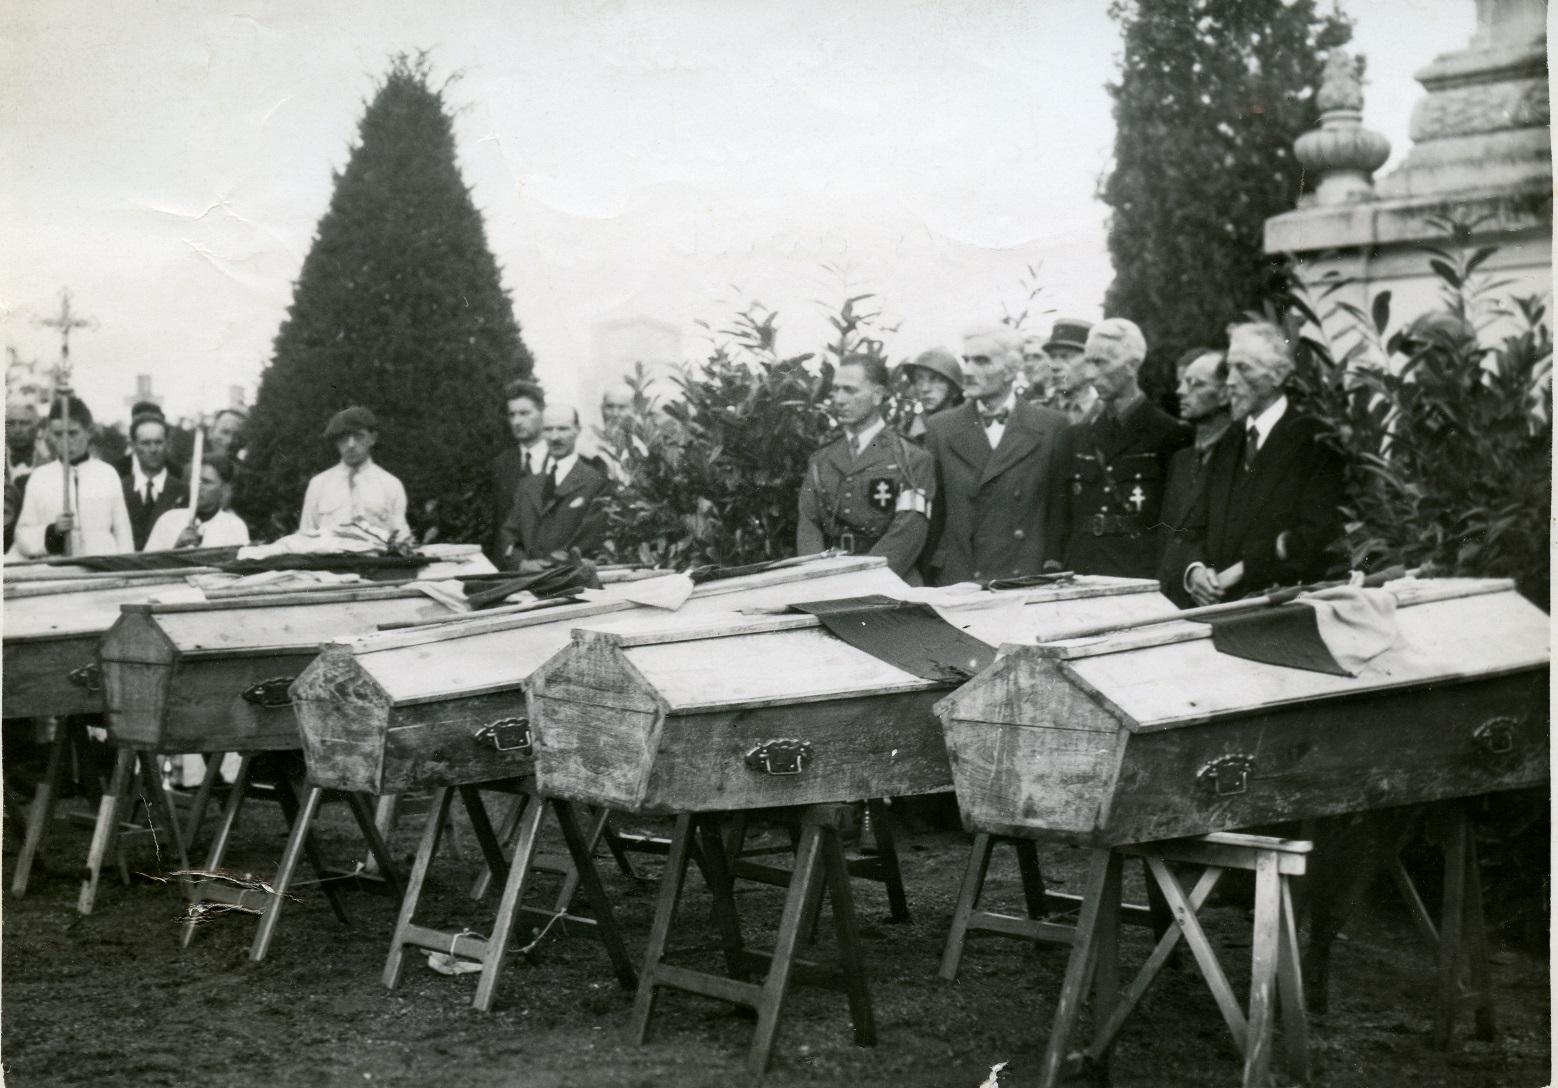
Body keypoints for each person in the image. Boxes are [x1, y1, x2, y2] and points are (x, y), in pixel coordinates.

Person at [1180, 321, 1346, 604]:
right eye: (1228, 368)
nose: (1230, 381)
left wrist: (1241, 571)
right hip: (1218, 612)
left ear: (1278, 375)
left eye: (1243, 368)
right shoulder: (1228, 441)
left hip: (1280, 614)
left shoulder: (1315, 440)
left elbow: (1314, 537)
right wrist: (1195, 571)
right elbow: (1194, 526)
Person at [922, 325, 1070, 585]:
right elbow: (933, 518)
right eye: (966, 360)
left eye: (981, 361)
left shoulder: (1051, 426)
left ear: (1011, 370)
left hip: (1024, 579)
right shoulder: (940, 428)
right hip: (959, 578)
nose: (967, 371)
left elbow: (1058, 514)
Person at [1057, 319, 1191, 579]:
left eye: (1101, 363)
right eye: (1089, 362)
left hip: (1138, 570)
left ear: (1132, 366)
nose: (1091, 375)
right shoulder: (1077, 435)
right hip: (1081, 568)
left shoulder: (1170, 434)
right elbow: (1061, 517)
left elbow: (1177, 521)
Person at [797, 356, 935, 579]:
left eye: (850, 390)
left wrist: (862, 581)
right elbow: (808, 524)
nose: (839, 400)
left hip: (891, 582)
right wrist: (817, 579)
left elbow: (908, 533)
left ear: (878, 395)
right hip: (827, 583)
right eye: (836, 390)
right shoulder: (821, 458)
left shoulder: (911, 457)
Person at [11, 394, 134, 557]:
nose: (66, 441)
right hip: (57, 571)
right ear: (50, 434)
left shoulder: (107, 474)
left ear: (88, 432)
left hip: (101, 567)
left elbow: (122, 532)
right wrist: (53, 531)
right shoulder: (40, 478)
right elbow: (23, 535)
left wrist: (125, 568)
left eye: (73, 433)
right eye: (58, 434)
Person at [1157, 349, 1231, 605]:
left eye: (1194, 384)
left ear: (1224, 395)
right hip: (1169, 600)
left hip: (1210, 601)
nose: (1179, 391)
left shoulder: (1238, 458)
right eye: (1182, 382)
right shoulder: (1181, 460)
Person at [497, 404, 612, 566]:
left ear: (577, 430)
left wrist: (550, 565)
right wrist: (521, 563)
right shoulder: (528, 483)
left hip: (569, 580)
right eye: (548, 429)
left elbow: (589, 537)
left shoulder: (595, 482)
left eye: (563, 429)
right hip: (527, 582)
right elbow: (509, 533)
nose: (555, 437)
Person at [298, 406, 411, 538]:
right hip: (328, 557)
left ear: (372, 438)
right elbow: (305, 536)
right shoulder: (319, 484)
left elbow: (400, 538)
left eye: (358, 436)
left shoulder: (391, 485)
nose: (351, 444)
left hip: (375, 558)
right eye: (344, 438)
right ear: (336, 442)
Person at [144, 454, 250, 550]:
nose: (198, 487)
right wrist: (176, 547)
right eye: (196, 480)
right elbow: (145, 565)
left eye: (206, 482)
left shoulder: (235, 527)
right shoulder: (168, 520)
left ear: (223, 489)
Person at [491, 380, 548, 557]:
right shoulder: (501, 464)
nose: (517, 421)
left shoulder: (562, 460)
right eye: (512, 414)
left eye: (524, 413)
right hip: (512, 569)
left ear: (542, 413)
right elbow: (499, 527)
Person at [121, 415, 190, 550]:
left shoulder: (184, 491)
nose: (153, 449)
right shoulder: (120, 489)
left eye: (158, 442)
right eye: (146, 443)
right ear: (133, 446)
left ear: (167, 444)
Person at [898, 347, 965, 443]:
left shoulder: (968, 429)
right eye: (919, 379)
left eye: (935, 379)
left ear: (954, 390)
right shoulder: (906, 428)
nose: (925, 388)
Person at [1042, 319, 1094, 420]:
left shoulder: (1104, 413)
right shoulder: (1038, 409)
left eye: (1066, 357)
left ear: (1090, 361)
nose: (1055, 366)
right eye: (1052, 357)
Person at [6, 399, 40, 489]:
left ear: (36, 427)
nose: (17, 430)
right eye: (11, 423)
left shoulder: (49, 461)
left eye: (24, 423)